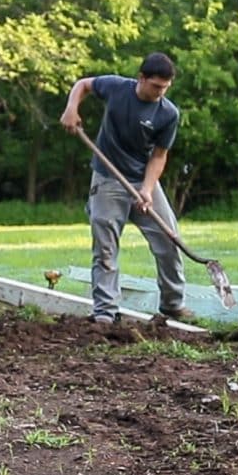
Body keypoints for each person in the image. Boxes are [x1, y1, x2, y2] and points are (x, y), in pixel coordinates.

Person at [59, 52, 192, 325]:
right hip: (107, 179)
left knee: (169, 240)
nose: (160, 92)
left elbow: (159, 155)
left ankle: (173, 304)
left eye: (165, 88)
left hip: (142, 180)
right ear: (141, 78)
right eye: (156, 86)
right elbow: (83, 84)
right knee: (105, 248)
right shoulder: (117, 88)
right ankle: (105, 312)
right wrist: (71, 108)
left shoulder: (168, 113)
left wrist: (146, 189)